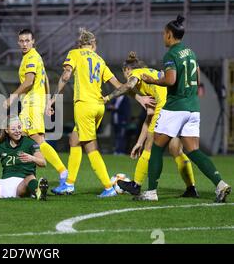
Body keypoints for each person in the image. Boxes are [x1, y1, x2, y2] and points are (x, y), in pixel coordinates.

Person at [46, 28, 154, 197]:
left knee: (91, 148)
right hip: (98, 106)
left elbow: (66, 76)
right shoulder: (100, 60)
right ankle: (69, 183)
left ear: (80, 44)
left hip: (84, 106)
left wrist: (53, 98)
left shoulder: (74, 53)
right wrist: (140, 99)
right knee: (74, 139)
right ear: (93, 45)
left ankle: (108, 187)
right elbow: (119, 84)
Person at [138, 15, 231, 202]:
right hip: (193, 108)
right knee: (193, 150)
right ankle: (220, 184)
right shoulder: (190, 52)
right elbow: (196, 76)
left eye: (164, 34)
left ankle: (151, 192)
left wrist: (153, 80)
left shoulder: (171, 55)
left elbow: (170, 80)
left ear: (170, 35)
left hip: (175, 107)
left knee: (156, 147)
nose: (163, 37)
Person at [102, 51, 199, 198]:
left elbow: (128, 86)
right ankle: (191, 188)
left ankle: (136, 184)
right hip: (177, 107)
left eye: (124, 73)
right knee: (175, 149)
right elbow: (149, 117)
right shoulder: (151, 74)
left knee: (150, 147)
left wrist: (108, 97)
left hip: (166, 109)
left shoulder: (137, 74)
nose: (125, 76)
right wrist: (138, 143)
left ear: (127, 70)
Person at [3, 28, 69, 188]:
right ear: (18, 42)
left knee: (36, 139)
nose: (24, 44)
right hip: (33, 103)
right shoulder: (34, 57)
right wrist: (47, 102)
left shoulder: (31, 57)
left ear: (33, 41)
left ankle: (63, 172)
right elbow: (45, 79)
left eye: (27, 41)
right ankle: (24, 176)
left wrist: (13, 96)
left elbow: (29, 82)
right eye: (22, 41)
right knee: (22, 137)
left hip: (32, 104)